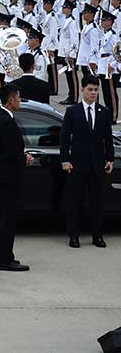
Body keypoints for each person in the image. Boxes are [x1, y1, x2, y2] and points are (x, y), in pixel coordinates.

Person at [60, 76, 114, 248]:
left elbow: (107, 138)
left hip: (97, 164)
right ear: (82, 90)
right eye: (90, 89)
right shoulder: (72, 111)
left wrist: (110, 159)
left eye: (96, 90)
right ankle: (73, 236)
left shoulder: (103, 112)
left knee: (96, 202)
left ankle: (97, 236)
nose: (93, 93)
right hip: (77, 164)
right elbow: (64, 138)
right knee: (75, 202)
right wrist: (65, 160)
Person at [0, 84, 34, 271]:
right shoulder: (6, 121)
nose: (20, 100)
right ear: (10, 100)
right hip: (8, 175)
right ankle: (5, 258)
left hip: (1, 174)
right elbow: (10, 151)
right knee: (7, 217)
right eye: (18, 97)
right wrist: (25, 157)